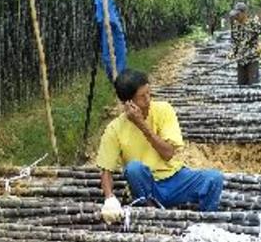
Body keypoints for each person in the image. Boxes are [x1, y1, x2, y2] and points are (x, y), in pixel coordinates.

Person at [96, 68, 224, 220]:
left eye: (148, 93)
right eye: (142, 97)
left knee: (214, 178)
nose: (148, 99)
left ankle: (206, 223)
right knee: (134, 168)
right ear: (128, 103)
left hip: (174, 179)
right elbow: (106, 171)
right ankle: (150, 212)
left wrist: (142, 125)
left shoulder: (163, 110)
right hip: (146, 186)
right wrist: (109, 198)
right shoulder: (114, 129)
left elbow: (168, 153)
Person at [230, 3, 261, 86]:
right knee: (241, 85)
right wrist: (232, 52)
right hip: (240, 59)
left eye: (238, 15)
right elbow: (234, 41)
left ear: (244, 13)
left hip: (252, 58)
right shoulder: (235, 26)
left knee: (253, 85)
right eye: (235, 15)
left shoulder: (254, 24)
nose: (236, 17)